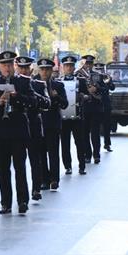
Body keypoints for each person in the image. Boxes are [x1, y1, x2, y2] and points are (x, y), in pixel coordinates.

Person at [0, 50, 35, 215]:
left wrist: (16, 96)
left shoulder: (23, 82)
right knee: (3, 169)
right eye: (3, 65)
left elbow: (32, 102)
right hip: (0, 130)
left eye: (9, 64)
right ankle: (5, 202)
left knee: (20, 167)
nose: (7, 67)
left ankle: (22, 201)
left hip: (18, 130)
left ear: (14, 65)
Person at [16, 56, 50, 201]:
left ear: (30, 70)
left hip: (34, 126)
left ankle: (36, 188)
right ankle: (21, 195)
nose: (23, 70)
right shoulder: (13, 84)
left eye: (26, 68)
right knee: (19, 163)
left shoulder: (39, 84)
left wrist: (32, 93)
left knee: (35, 160)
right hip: (17, 127)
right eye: (21, 68)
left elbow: (47, 103)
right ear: (17, 68)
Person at [36, 58, 68, 190]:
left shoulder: (58, 86)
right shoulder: (33, 84)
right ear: (39, 70)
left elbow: (65, 104)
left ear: (51, 71)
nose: (44, 72)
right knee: (41, 153)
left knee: (53, 153)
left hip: (53, 123)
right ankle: (44, 179)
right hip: (39, 123)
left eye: (47, 69)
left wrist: (56, 97)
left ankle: (54, 179)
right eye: (42, 69)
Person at [58, 56, 87, 175]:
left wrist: (83, 96)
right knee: (65, 143)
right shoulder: (58, 82)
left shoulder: (80, 81)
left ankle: (82, 166)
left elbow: (87, 96)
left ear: (74, 67)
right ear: (63, 67)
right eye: (66, 66)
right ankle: (68, 166)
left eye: (71, 66)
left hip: (77, 116)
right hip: (63, 117)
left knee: (79, 142)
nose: (69, 68)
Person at [78, 55, 105, 164]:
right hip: (84, 108)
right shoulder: (79, 75)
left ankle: (96, 155)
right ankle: (87, 155)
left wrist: (96, 88)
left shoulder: (98, 76)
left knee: (95, 133)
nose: (88, 65)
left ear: (92, 64)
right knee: (84, 133)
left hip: (96, 108)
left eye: (90, 63)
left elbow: (105, 89)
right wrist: (83, 94)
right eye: (86, 63)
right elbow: (76, 89)